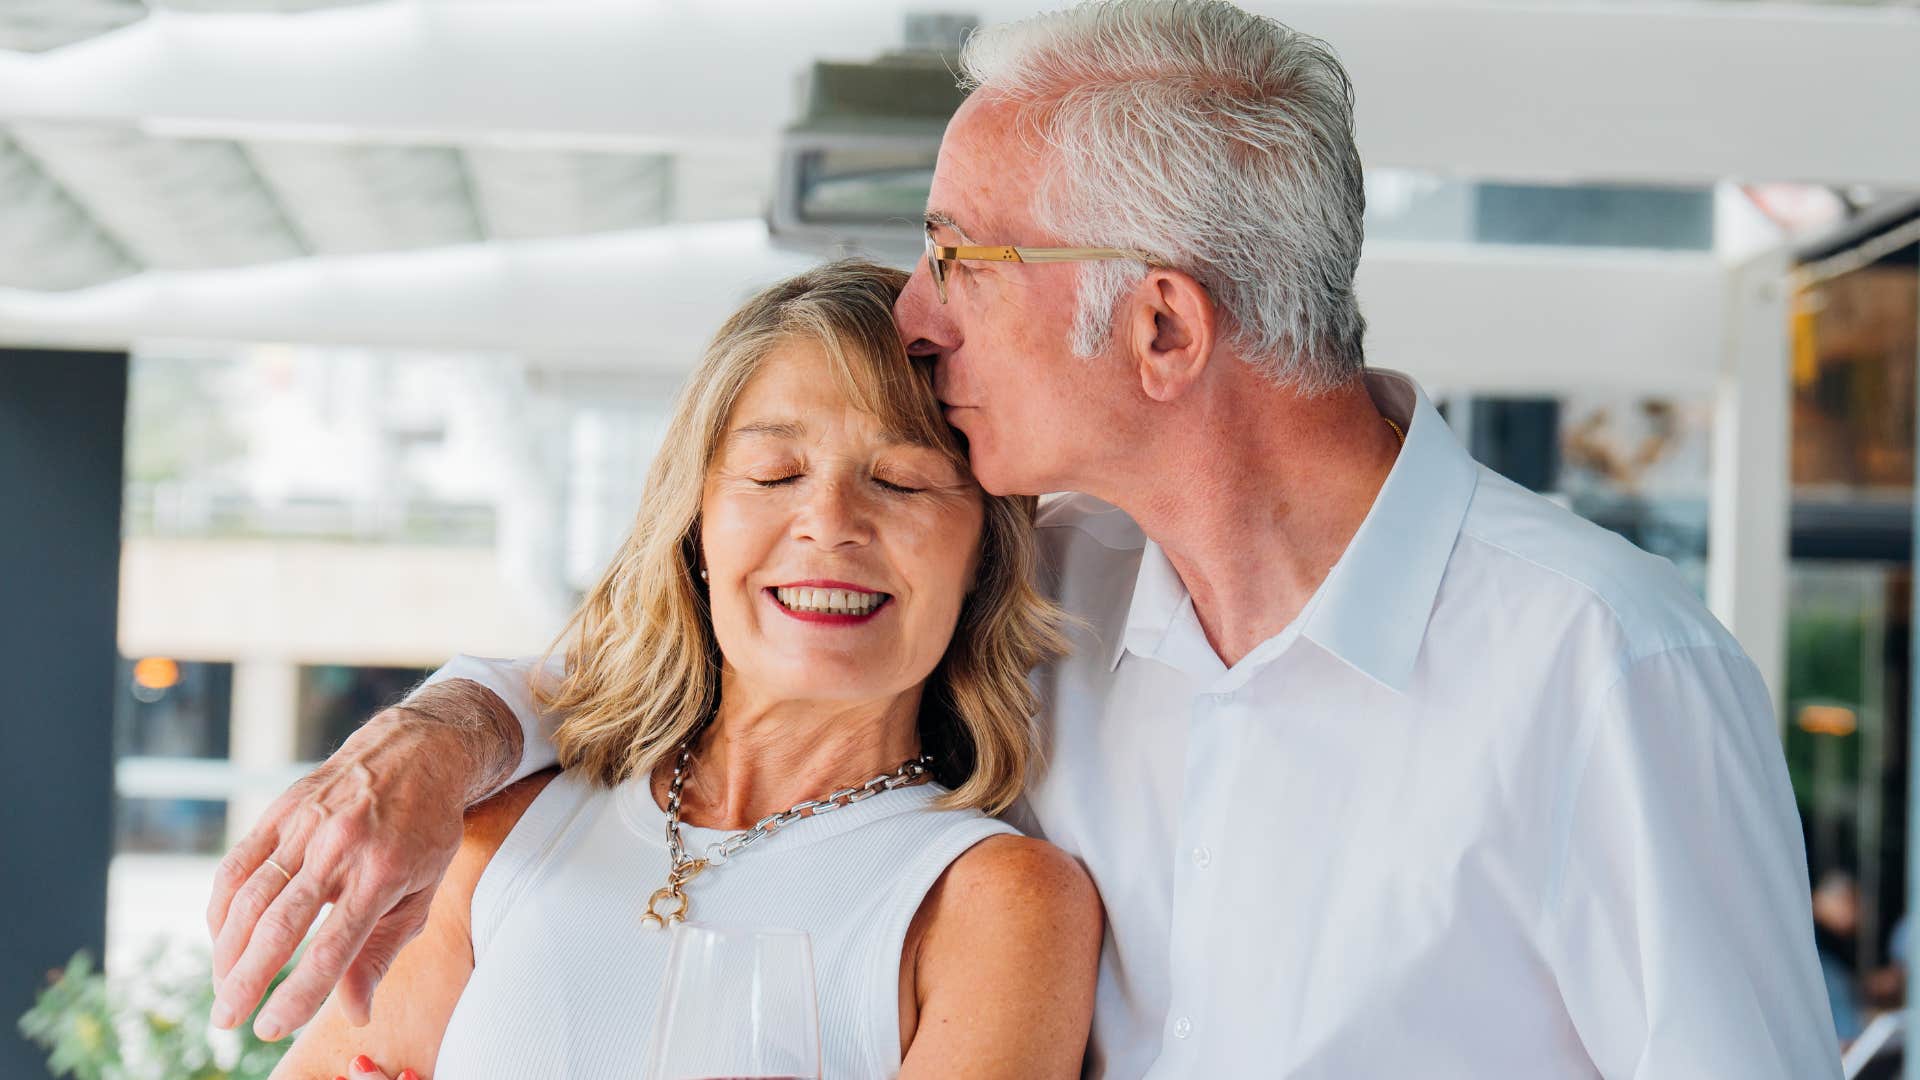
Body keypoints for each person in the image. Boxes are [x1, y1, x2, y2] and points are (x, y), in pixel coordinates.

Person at [209, 2, 1841, 1076]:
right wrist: (441, 734)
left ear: (1159, 329)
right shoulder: (1056, 581)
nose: (913, 317)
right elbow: (725, 641)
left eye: (960, 257)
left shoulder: (1601, 665)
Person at [255, 262, 1102, 1078]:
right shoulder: (505, 833)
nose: (830, 522)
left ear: (983, 557)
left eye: (902, 481)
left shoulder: (997, 903)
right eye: (776, 473)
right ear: (697, 524)